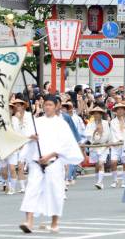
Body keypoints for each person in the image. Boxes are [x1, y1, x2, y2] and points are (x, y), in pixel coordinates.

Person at [18, 94, 84, 234]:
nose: (47, 107)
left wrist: (50, 155)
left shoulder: (61, 124)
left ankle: (55, 222)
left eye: (50, 105)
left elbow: (66, 145)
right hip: (37, 162)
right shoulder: (36, 121)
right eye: (45, 104)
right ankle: (29, 222)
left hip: (53, 162)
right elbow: (24, 137)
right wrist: (31, 137)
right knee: (31, 191)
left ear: (56, 106)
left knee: (56, 192)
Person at [84, 106, 113, 190]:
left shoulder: (105, 123)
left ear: (101, 114)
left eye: (98, 114)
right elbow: (88, 136)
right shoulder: (90, 124)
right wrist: (95, 131)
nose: (97, 115)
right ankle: (98, 181)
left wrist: (109, 142)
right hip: (94, 146)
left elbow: (109, 134)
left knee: (101, 163)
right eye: (95, 114)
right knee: (97, 165)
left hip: (103, 146)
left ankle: (100, 182)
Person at [108, 101, 125, 188]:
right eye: (118, 110)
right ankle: (115, 180)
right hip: (115, 144)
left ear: (124, 110)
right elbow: (113, 133)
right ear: (115, 111)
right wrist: (115, 141)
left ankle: (124, 181)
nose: (120, 111)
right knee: (113, 162)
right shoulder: (113, 121)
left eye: (122, 109)